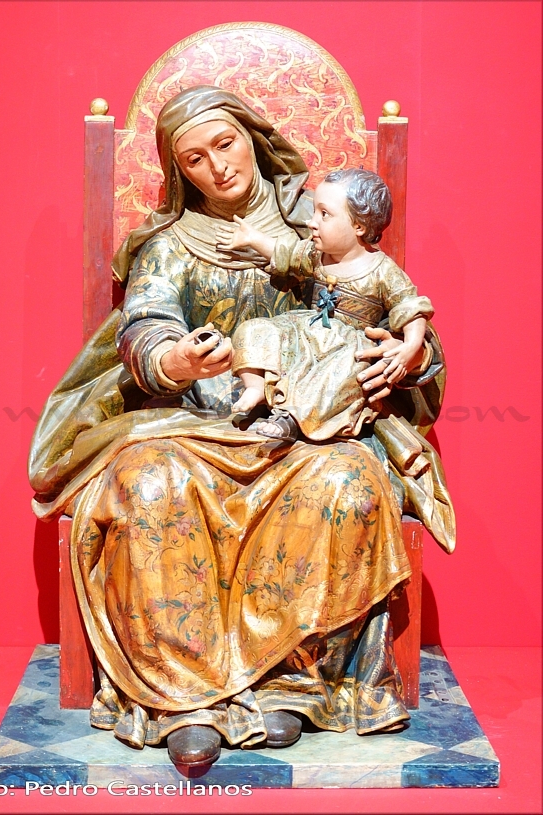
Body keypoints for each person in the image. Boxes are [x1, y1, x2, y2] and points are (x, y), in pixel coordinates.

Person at [29, 85, 455, 768]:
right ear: (179, 171)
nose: (218, 166)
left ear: (252, 138)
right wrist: (175, 359)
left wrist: (405, 355)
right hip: (195, 417)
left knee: (347, 484)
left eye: (225, 144)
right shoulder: (167, 247)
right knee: (146, 485)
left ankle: (293, 683)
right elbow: (145, 325)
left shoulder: (318, 226)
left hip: (310, 423)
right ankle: (183, 695)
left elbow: (387, 296)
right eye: (194, 159)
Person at [218, 168, 434, 442]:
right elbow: (286, 253)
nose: (312, 222)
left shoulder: (382, 271)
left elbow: (411, 308)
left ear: (359, 226)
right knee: (255, 329)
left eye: (324, 214)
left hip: (347, 348)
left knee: (342, 373)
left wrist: (411, 346)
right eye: (314, 212)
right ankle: (256, 386)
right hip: (307, 332)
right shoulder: (317, 255)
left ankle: (294, 418)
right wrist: (253, 238)